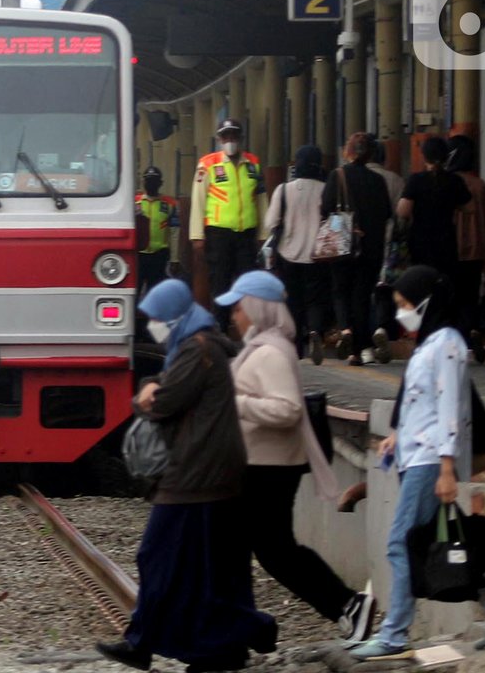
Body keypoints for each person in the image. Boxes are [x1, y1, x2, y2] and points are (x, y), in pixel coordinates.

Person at [97, 279, 276, 673]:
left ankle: (143, 642)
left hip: (196, 471)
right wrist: (151, 389)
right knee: (210, 566)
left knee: (158, 555)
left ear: (175, 315)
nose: (155, 326)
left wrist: (144, 395)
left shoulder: (198, 350)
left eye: (158, 318)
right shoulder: (198, 346)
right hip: (211, 468)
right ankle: (226, 647)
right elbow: (166, 390)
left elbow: (164, 402)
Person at [351, 266, 485, 661]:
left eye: (404, 304)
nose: (401, 313)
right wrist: (398, 436)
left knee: (403, 541)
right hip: (419, 456)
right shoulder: (430, 343)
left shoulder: (447, 344)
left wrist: (449, 468)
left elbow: (451, 407)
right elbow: (423, 403)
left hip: (432, 461)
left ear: (426, 302)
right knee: (456, 538)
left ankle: (395, 634)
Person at [216, 271, 375, 645]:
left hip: (268, 469)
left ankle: (346, 605)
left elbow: (287, 409)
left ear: (256, 308)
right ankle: (246, 627)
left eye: (239, 308)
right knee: (260, 549)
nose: (234, 316)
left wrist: (235, 403)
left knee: (272, 551)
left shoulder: (270, 353)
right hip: (262, 465)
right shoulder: (265, 347)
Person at [320, 133, 392, 366]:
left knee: (340, 291)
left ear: (347, 151)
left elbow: (326, 209)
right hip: (371, 247)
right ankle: (360, 349)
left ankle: (346, 332)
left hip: (342, 243)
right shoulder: (377, 181)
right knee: (361, 296)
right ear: (371, 153)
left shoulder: (337, 175)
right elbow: (386, 213)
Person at [191, 118, 265, 332]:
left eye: (233, 135)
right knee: (220, 283)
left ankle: (249, 329)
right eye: (226, 136)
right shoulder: (208, 164)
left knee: (248, 284)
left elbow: (261, 198)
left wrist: (264, 233)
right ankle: (221, 330)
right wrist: (197, 236)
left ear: (240, 138)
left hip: (246, 234)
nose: (230, 140)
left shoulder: (253, 163)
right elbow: (198, 200)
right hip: (218, 234)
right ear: (219, 139)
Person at [265, 145, 330, 362]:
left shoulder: (283, 190)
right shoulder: (326, 189)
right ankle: (315, 332)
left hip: (288, 254)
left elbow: (271, 222)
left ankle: (294, 347)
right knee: (315, 299)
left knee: (293, 301)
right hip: (318, 255)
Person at [446, 135, 485, 363]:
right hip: (476, 252)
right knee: (470, 297)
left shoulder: (445, 183)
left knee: (450, 299)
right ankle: (472, 333)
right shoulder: (480, 186)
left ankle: (456, 341)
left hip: (450, 252)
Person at [398, 137, 471, 279]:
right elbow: (469, 208)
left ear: (424, 156)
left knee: (422, 280)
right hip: (446, 240)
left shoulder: (416, 180)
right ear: (445, 157)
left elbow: (403, 211)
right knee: (444, 280)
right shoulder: (454, 180)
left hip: (420, 240)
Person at [367, 135, 406, 365]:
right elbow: (402, 215)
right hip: (389, 242)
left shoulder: (357, 176)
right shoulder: (395, 180)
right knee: (385, 288)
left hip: (362, 242)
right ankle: (382, 327)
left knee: (364, 289)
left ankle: (366, 336)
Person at [135, 166, 179, 295]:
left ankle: (152, 315)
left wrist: (175, 259)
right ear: (143, 182)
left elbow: (174, 232)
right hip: (138, 255)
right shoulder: (135, 202)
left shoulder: (170, 204)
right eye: (148, 180)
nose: (151, 184)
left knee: (154, 293)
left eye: (154, 181)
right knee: (134, 290)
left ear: (160, 183)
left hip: (159, 255)